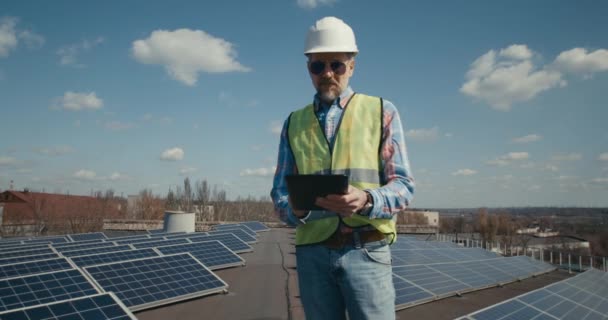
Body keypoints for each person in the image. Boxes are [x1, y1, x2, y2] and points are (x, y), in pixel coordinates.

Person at [270, 16, 415, 320]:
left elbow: (403, 187)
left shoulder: (381, 111)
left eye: (336, 64)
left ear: (352, 65)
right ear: (308, 68)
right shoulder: (293, 122)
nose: (327, 74)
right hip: (313, 255)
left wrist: (366, 199)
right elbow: (280, 194)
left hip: (367, 250)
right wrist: (296, 210)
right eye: (317, 66)